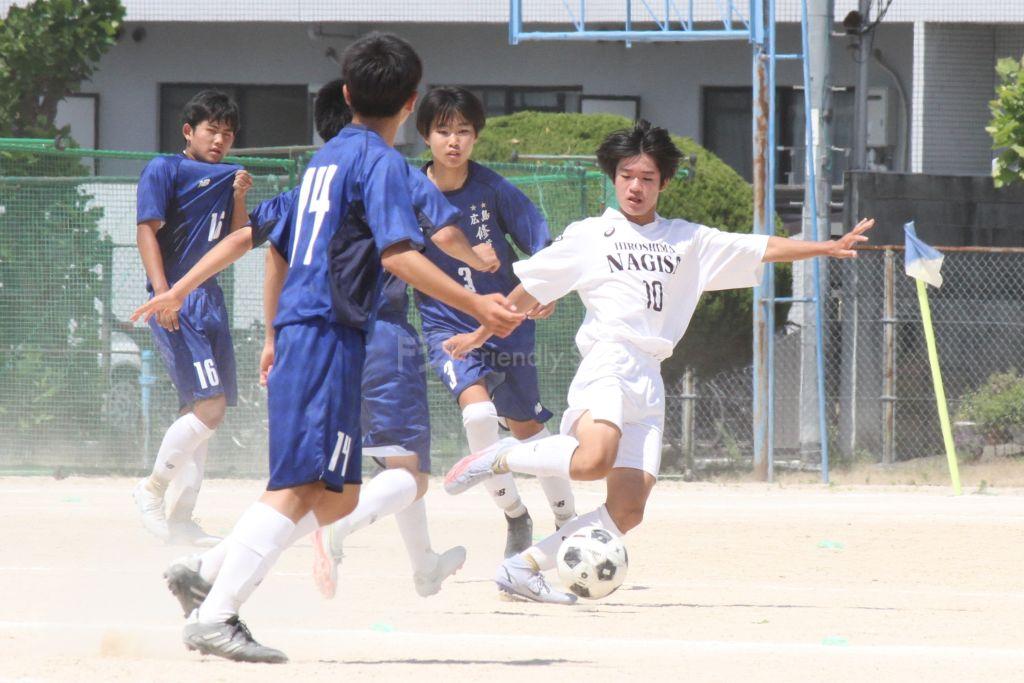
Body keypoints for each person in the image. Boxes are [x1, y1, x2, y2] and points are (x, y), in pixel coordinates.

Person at [134, 34, 523, 662]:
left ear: (346, 95)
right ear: (411, 103)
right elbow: (402, 251)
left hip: (316, 335)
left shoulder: (325, 161)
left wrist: (177, 286)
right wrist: (478, 299)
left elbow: (247, 239)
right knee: (300, 484)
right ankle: (217, 613)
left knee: (337, 494)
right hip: (326, 335)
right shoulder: (381, 165)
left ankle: (207, 568)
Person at [443, 119, 874, 604]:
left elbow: (762, 246)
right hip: (608, 359)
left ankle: (523, 568)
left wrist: (826, 246)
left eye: (647, 177)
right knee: (592, 459)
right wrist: (480, 331)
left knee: (627, 510)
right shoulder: (591, 235)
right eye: (627, 175)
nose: (636, 186)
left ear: (664, 182)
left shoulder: (688, 240)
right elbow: (529, 290)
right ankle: (495, 456)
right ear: (614, 177)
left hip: (650, 375)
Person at [305, 80, 500, 600]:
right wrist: (477, 265)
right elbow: (440, 233)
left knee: (390, 462)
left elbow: (268, 248)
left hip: (318, 336)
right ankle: (338, 527)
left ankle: (425, 566)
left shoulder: (314, 177)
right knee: (410, 476)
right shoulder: (391, 170)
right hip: (381, 333)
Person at [415, 86, 576, 557]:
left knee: (527, 428)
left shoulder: (492, 189)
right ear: (425, 135)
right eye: (443, 130)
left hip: (507, 323)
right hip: (447, 328)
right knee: (480, 414)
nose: (453, 141)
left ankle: (568, 522)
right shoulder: (409, 193)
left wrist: (544, 289)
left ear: (476, 137)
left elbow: (542, 244)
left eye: (463, 131)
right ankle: (515, 516)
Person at [131, 90, 253, 546]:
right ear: (188, 131)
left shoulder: (227, 177)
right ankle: (151, 490)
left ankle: (182, 517)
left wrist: (240, 196)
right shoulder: (164, 168)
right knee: (210, 408)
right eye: (211, 130)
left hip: (211, 301)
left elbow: (238, 239)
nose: (220, 140)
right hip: (177, 302)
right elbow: (147, 228)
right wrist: (164, 294)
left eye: (227, 133)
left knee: (200, 411)